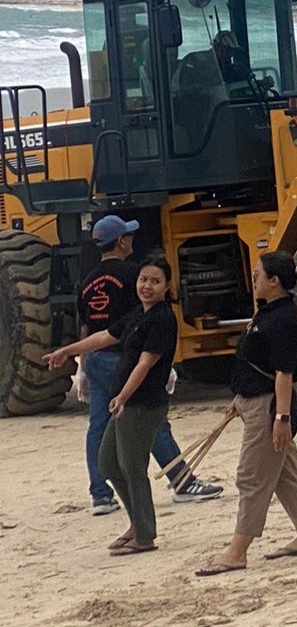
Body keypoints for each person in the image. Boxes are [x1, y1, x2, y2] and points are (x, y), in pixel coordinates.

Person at [75, 216, 222, 515]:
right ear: (120, 242)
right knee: (150, 418)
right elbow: (143, 320)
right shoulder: (134, 275)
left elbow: (86, 325)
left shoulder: (87, 280)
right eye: (127, 236)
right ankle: (181, 480)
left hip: (96, 357)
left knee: (99, 425)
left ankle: (100, 494)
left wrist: (82, 364)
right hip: (123, 357)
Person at [46, 257, 182, 555]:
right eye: (143, 279)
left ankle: (144, 536)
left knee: (133, 467)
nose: (147, 286)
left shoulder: (162, 318)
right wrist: (68, 351)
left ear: (167, 286)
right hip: (125, 404)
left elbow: (146, 364)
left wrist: (122, 396)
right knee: (108, 463)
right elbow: (104, 337)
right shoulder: (136, 314)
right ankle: (137, 523)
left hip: (143, 404)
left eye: (155, 281)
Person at [196, 251, 297, 576]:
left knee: (251, 477)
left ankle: (238, 550)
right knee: (283, 474)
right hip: (256, 401)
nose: (253, 281)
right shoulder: (269, 313)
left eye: (257, 276)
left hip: (270, 407)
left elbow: (283, 374)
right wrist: (240, 399)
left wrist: (280, 419)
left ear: (274, 281)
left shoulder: (283, 321)